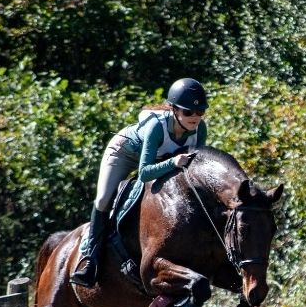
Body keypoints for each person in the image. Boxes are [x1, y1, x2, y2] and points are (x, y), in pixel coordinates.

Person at [70, 77, 209, 287]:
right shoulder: (156, 126)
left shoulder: (200, 129)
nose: (195, 117)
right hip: (123, 153)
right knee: (103, 199)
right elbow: (144, 173)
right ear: (173, 109)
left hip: (158, 159)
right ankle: (90, 259)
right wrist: (173, 162)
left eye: (200, 112)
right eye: (188, 112)